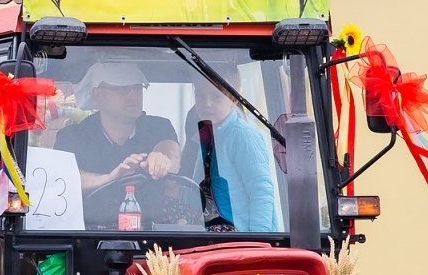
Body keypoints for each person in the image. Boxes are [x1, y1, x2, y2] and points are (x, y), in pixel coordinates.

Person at [55, 61, 181, 193]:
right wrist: (110, 178)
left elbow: (170, 152)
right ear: (97, 94)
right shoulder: (72, 136)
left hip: (152, 214)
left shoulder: (159, 126)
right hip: (92, 214)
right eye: (122, 89)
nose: (133, 95)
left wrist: (161, 160)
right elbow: (62, 177)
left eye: (137, 88)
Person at [189, 78, 277, 232]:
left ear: (234, 99)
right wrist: (176, 191)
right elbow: (202, 192)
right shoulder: (207, 136)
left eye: (216, 96)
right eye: (200, 96)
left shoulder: (243, 135)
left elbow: (261, 192)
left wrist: (258, 239)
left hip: (238, 235)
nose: (207, 103)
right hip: (210, 230)